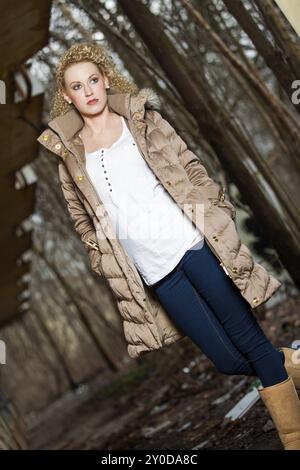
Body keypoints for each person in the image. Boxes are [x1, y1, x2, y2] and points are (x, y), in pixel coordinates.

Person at [37, 41, 300, 450]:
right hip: (156, 271)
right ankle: (289, 366)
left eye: (93, 80)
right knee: (228, 361)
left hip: (192, 246)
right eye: (76, 86)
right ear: (66, 96)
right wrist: (100, 255)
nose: (88, 91)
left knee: (249, 343)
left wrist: (214, 211)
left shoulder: (142, 120)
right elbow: (82, 219)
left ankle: (293, 437)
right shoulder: (69, 157)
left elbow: (190, 165)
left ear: (105, 80)